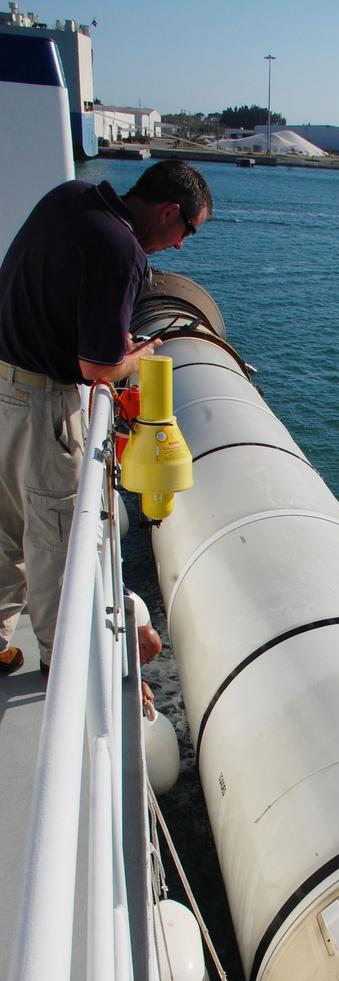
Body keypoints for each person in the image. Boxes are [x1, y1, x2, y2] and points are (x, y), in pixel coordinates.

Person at [0, 160, 212, 677]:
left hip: (4, 383)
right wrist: (138, 357)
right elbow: (96, 369)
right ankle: (61, 661)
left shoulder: (69, 197)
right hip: (43, 404)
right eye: (188, 230)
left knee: (5, 524)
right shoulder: (124, 251)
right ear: (168, 210)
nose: (181, 245)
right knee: (58, 538)